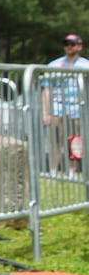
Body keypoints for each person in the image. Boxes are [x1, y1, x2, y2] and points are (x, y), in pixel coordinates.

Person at [41, 33, 88, 174]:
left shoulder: (86, 65)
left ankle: (72, 171)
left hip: (77, 108)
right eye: (66, 44)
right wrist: (45, 111)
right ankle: (54, 171)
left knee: (74, 140)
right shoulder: (54, 65)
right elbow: (47, 89)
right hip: (57, 108)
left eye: (72, 44)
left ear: (79, 47)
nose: (68, 47)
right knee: (55, 140)